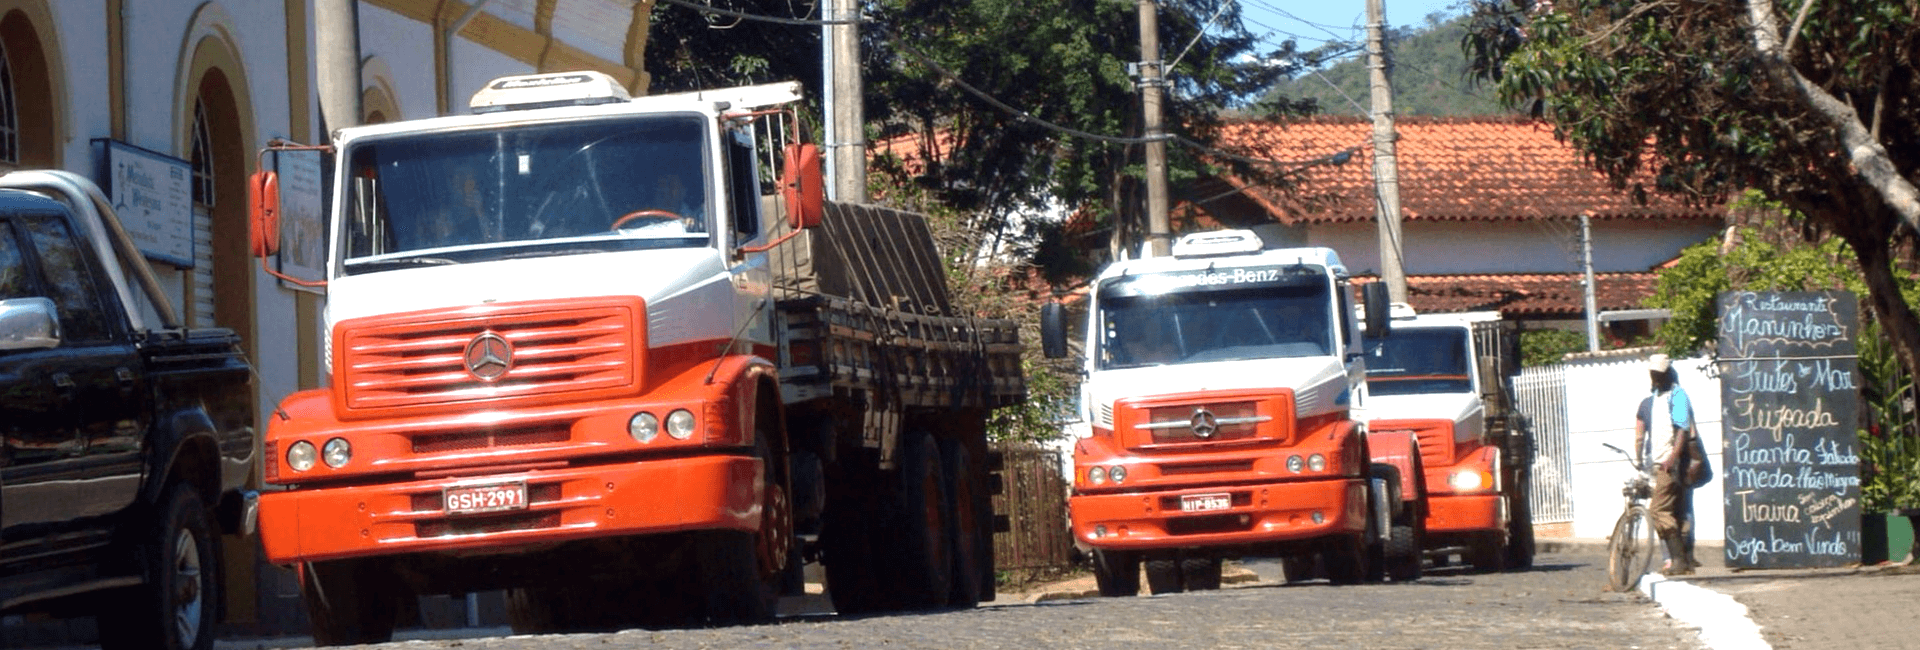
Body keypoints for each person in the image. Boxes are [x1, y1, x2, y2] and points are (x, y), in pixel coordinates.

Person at [1635, 353, 1699, 575]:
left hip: (1671, 464)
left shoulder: (1677, 396)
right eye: (1653, 373)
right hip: (1663, 462)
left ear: (1667, 374)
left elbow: (1682, 429)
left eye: (1659, 373)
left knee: (1657, 510)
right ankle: (1685, 562)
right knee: (1678, 511)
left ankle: (1679, 560)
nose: (1655, 377)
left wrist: (1672, 457)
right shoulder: (1655, 398)